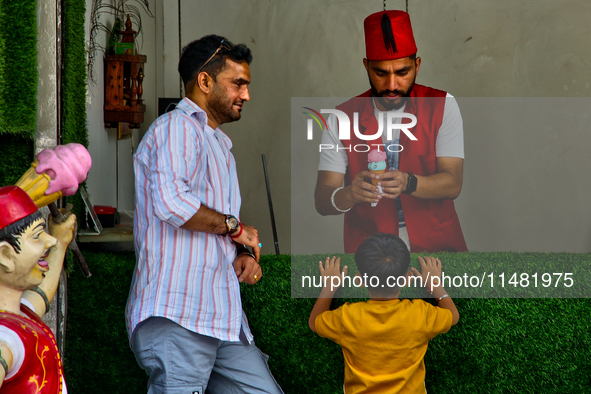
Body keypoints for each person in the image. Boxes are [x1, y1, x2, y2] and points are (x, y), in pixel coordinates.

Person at [125, 35, 283, 394]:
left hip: (221, 319)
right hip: (179, 314)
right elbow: (172, 203)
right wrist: (234, 228)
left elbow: (214, 227)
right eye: (238, 84)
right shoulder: (176, 128)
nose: (246, 95)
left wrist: (241, 254)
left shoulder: (219, 146)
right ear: (205, 81)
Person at [315, 10, 468, 253]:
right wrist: (350, 193)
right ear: (366, 66)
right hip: (370, 253)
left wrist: (409, 182)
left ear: (417, 65)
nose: (392, 85)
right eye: (381, 73)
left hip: (438, 246)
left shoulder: (442, 105)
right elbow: (323, 200)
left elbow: (453, 183)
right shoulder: (341, 119)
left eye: (402, 72)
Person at [308, 233, 459, 393]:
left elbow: (314, 322)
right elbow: (453, 316)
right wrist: (434, 283)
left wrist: (329, 287)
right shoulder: (420, 313)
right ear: (407, 279)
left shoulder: (347, 317)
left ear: (359, 280)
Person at [0, 185, 76, 393]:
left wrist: (60, 243)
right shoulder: (4, 338)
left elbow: (40, 296)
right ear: (5, 255)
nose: (48, 240)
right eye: (36, 236)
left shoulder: (19, 313)